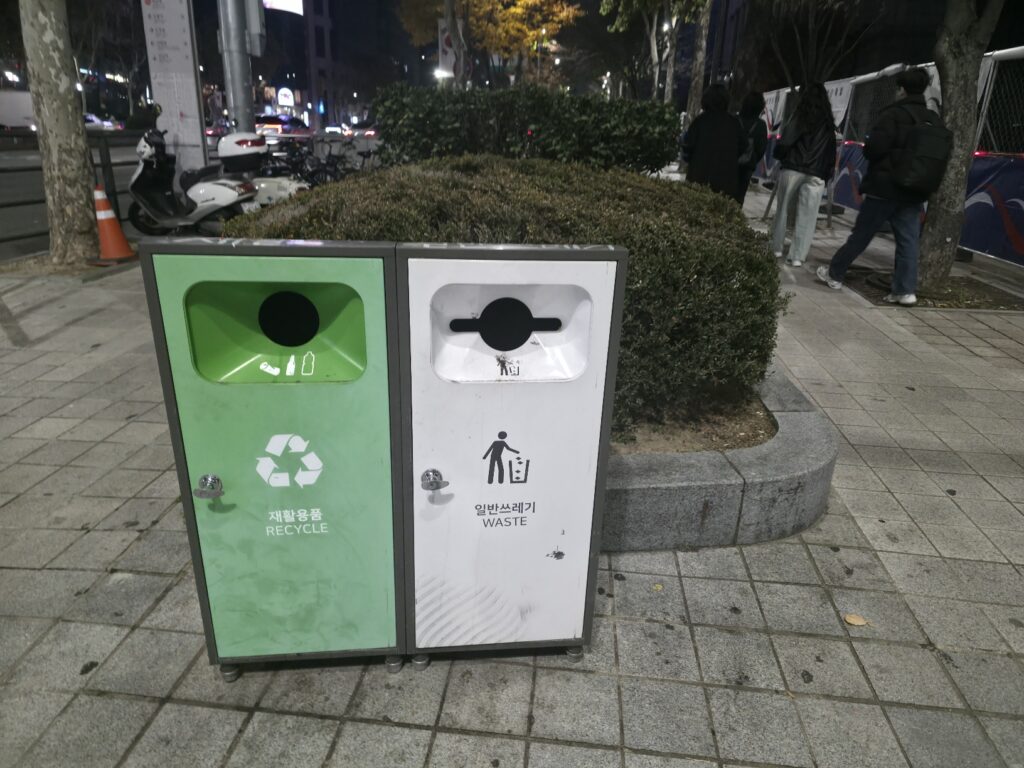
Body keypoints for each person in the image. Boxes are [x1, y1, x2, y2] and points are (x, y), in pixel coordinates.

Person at [817, 68, 935, 306]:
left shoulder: (891, 115)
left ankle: (835, 273)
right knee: (908, 241)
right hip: (914, 190)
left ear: (901, 89)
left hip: (885, 187)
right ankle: (905, 290)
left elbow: (874, 149)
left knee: (862, 234)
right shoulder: (932, 118)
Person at [770, 83, 837, 267]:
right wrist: (827, 172)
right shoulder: (828, 124)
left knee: (783, 210)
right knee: (808, 216)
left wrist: (780, 155)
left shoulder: (799, 116)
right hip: (816, 173)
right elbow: (831, 152)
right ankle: (797, 256)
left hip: (793, 168)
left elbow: (785, 142)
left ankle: (776, 247)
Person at [682, 84, 746, 200]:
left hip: (699, 177)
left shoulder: (700, 121)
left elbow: (688, 146)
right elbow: (743, 147)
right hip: (726, 181)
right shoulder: (735, 124)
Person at [736, 92, 769, 205]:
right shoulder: (761, 125)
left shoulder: (734, 119)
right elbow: (761, 148)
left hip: (729, 163)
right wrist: (752, 158)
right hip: (747, 166)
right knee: (739, 196)